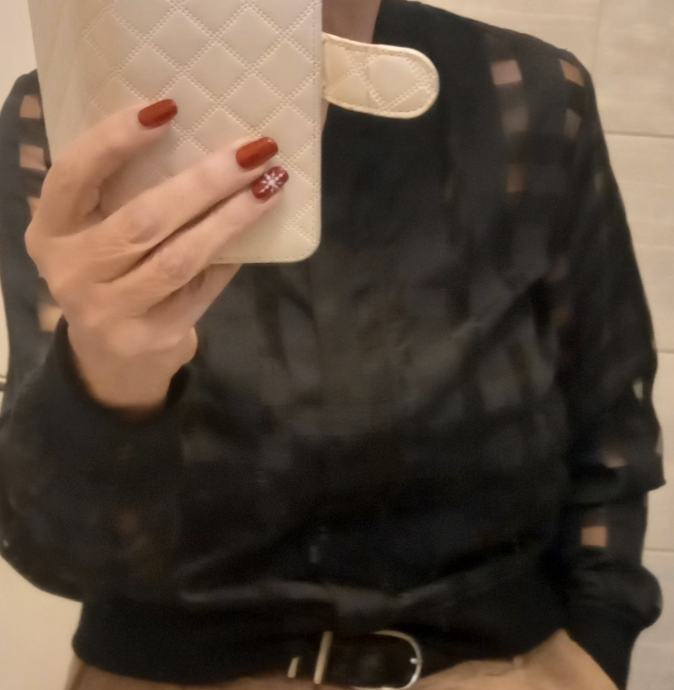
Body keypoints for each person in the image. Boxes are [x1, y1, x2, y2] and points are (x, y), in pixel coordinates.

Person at [0, 1, 665, 689]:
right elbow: (56, 552)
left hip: (498, 667)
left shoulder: (527, 93)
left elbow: (611, 422)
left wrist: (598, 650)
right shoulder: (75, 114)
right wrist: (113, 374)